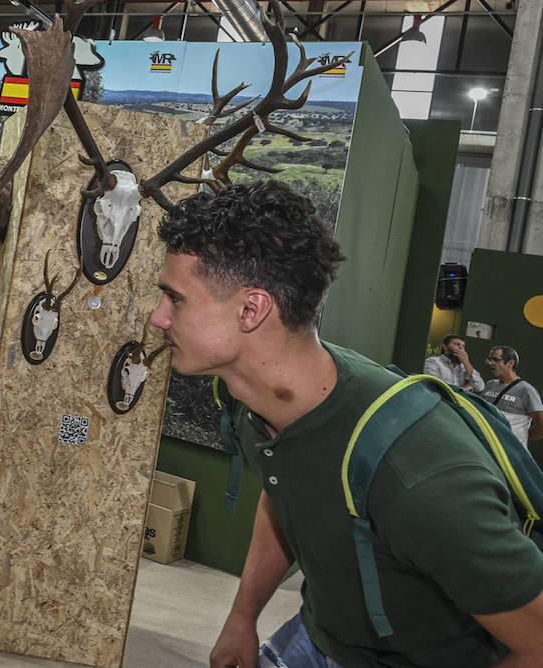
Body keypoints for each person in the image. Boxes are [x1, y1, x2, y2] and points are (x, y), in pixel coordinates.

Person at [150, 181, 543, 668]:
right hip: (318, 638)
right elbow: (286, 488)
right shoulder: (252, 401)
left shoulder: (419, 476)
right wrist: (242, 617)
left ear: (251, 310)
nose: (158, 318)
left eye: (175, 299)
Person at [480, 346, 543, 446]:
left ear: (510, 363)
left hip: (509, 452)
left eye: (495, 359)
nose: (490, 363)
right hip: (486, 446)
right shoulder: (490, 385)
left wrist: (519, 439)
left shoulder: (526, 390)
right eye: (489, 359)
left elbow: (541, 426)